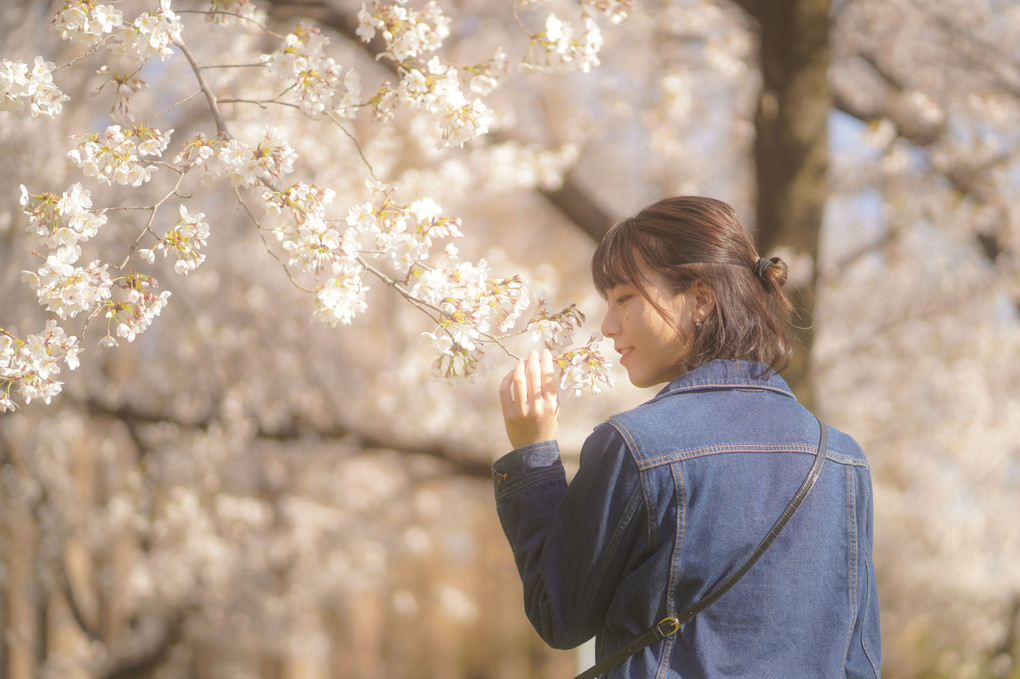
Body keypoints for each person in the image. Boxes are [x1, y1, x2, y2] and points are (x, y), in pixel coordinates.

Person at [493, 196, 881, 678]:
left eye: (624, 297)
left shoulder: (636, 446)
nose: (608, 325)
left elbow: (561, 615)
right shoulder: (844, 459)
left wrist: (532, 455)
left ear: (700, 299)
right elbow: (859, 659)